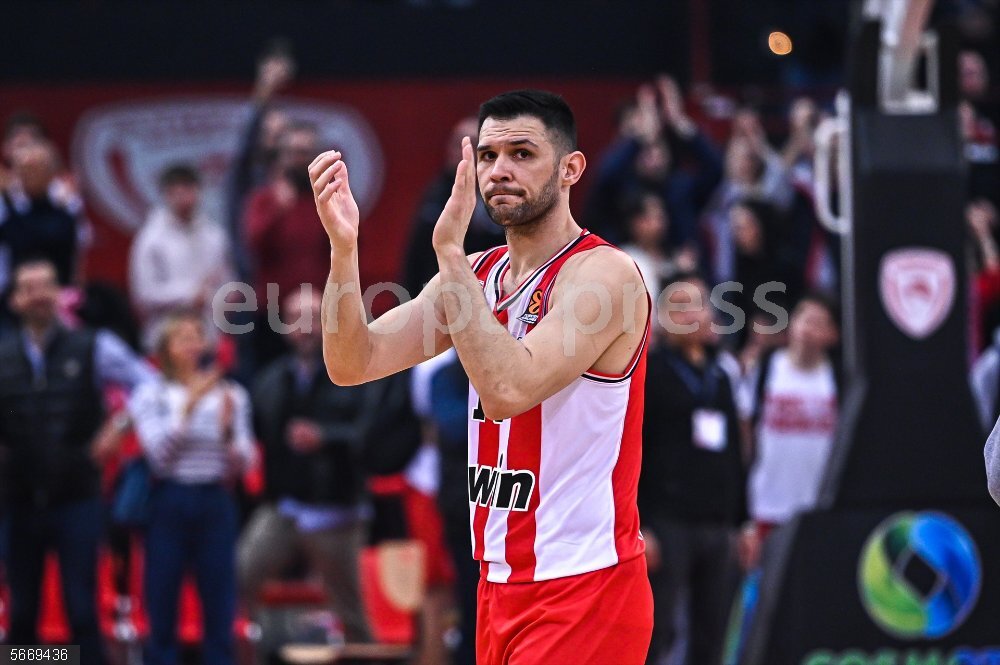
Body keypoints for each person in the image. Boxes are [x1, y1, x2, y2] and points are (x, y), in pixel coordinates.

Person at [309, 90, 653, 664]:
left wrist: (447, 252)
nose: (500, 171)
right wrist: (344, 252)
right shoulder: (478, 273)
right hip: (498, 585)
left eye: (522, 154)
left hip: (584, 583)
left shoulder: (603, 275)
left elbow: (508, 391)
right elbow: (352, 362)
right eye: (489, 155)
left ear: (570, 169)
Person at [0, 258, 155, 665]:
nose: (39, 296)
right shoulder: (3, 354)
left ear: (60, 294)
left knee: (83, 609)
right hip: (18, 499)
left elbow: (150, 385)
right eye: (29, 288)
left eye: (46, 286)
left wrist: (119, 426)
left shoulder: (93, 345)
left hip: (77, 497)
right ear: (15, 300)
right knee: (21, 615)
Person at [238, 286, 374, 644]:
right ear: (283, 327)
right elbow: (256, 437)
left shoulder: (355, 369)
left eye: (316, 317)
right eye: (298, 319)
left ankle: (364, 653)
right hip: (284, 507)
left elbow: (371, 433)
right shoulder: (269, 381)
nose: (308, 327)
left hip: (336, 511)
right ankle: (254, 645)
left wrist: (325, 438)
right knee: (239, 574)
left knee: (354, 611)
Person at [129, 311, 256, 665]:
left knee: (220, 600)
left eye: (195, 336)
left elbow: (245, 463)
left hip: (215, 500)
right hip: (169, 499)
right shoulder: (150, 393)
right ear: (164, 349)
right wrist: (187, 410)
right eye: (179, 337)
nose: (189, 344)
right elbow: (158, 457)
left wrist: (228, 431)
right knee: (162, 598)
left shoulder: (231, 394)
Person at [640, 274, 745, 665]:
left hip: (717, 522)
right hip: (667, 522)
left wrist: (742, 520)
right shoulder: (649, 374)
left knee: (713, 630)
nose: (692, 314)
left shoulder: (721, 375)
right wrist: (642, 523)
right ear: (662, 319)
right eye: (679, 306)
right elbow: (635, 451)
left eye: (698, 304)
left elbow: (737, 452)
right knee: (659, 628)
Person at [739, 293, 840, 569]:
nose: (808, 329)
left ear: (832, 335)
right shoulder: (767, 368)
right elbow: (744, 433)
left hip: (819, 507)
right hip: (767, 505)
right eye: (804, 318)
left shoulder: (838, 379)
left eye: (818, 323)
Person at [244, 120, 331, 367]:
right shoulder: (264, 200)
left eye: (306, 152)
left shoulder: (328, 197)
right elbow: (253, 246)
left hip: (321, 314)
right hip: (273, 314)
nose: (300, 159)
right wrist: (277, 210)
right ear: (281, 157)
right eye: (293, 152)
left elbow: (351, 247)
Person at [129, 164, 235, 351]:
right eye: (176, 191)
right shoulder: (150, 239)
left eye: (188, 189)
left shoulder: (214, 235)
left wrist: (222, 295)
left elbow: (228, 281)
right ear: (166, 194)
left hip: (208, 338)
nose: (184, 197)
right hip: (165, 340)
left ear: (199, 191)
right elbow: (144, 293)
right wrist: (190, 295)